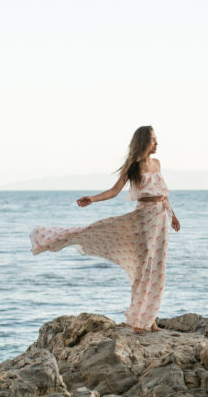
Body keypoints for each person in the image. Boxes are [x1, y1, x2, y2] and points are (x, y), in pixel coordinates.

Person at [30, 126, 181, 333]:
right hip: (144, 220)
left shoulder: (157, 164)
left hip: (161, 219)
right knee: (143, 268)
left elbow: (163, 194)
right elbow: (114, 191)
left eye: (156, 139)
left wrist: (173, 216)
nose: (157, 143)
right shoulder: (133, 166)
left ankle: (150, 320)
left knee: (157, 268)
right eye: (153, 139)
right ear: (143, 142)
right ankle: (138, 320)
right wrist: (93, 199)